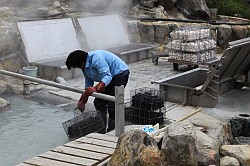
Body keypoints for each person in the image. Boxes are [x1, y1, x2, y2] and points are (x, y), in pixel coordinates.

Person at [65, 50, 130, 133]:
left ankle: (112, 130)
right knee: (99, 102)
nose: (79, 68)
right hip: (108, 78)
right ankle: (101, 129)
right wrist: (83, 100)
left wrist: (95, 88)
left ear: (81, 62)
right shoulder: (84, 66)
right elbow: (88, 83)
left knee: (112, 104)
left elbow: (107, 76)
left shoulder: (96, 58)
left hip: (120, 73)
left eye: (78, 66)